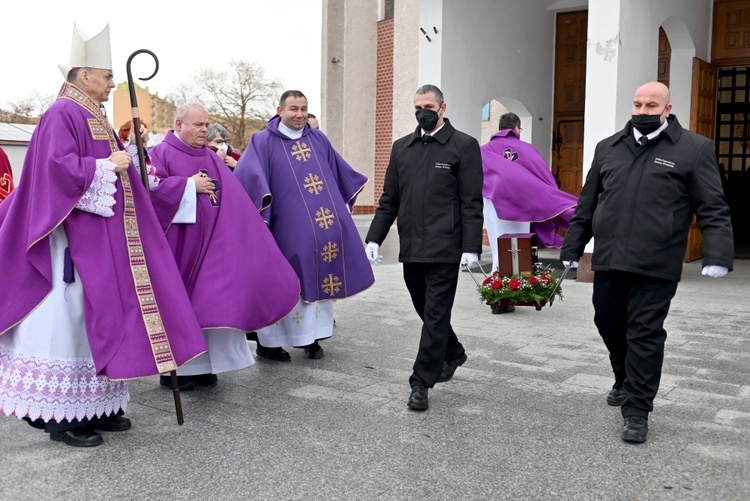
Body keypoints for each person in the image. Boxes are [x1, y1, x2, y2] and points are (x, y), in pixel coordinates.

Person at [0, 24, 207, 447]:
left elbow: (114, 167)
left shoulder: (94, 114)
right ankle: (60, 418)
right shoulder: (62, 112)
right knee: (70, 319)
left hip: (102, 239)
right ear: (82, 75)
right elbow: (53, 170)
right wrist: (103, 166)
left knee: (103, 314)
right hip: (69, 243)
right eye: (107, 75)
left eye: (114, 76)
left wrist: (131, 155)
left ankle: (99, 405)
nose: (113, 83)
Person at [560, 81, 734, 444]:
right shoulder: (607, 147)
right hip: (608, 259)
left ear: (667, 109)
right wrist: (572, 248)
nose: (642, 111)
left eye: (651, 105)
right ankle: (623, 374)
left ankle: (637, 409)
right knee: (607, 320)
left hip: (657, 263)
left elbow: (712, 206)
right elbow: (587, 204)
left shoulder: (693, 149)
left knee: (645, 332)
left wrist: (717, 254)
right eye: (637, 104)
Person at [147, 104, 300, 390]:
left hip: (214, 249)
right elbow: (149, 193)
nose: (204, 130)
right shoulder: (160, 154)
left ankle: (205, 366)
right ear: (178, 124)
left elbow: (235, 198)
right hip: (181, 249)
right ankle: (176, 372)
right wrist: (187, 186)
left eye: (206, 125)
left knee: (212, 304)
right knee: (184, 307)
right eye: (197, 125)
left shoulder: (211, 157)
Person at [365, 84, 483, 411]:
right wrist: (374, 237)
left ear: (443, 108)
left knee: (435, 314)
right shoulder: (403, 147)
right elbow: (390, 199)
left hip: (447, 246)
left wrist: (471, 246)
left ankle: (421, 382)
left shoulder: (464, 146)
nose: (423, 112)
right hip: (412, 246)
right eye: (418, 106)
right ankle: (454, 351)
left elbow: (471, 201)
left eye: (429, 106)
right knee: (424, 307)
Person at [235, 90, 374, 361]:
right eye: (293, 109)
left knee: (319, 281)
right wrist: (261, 218)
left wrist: (340, 214)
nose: (299, 114)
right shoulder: (262, 142)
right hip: (283, 231)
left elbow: (338, 173)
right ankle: (269, 344)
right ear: (280, 110)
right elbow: (248, 178)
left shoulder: (318, 138)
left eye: (303, 109)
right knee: (282, 283)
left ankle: (313, 338)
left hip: (322, 234)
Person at [482, 112, 578, 314]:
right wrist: (551, 197)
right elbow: (544, 177)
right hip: (523, 206)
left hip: (495, 206)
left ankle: (499, 298)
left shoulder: (485, 150)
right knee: (519, 249)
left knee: (500, 249)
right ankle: (516, 292)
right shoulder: (527, 149)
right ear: (516, 129)